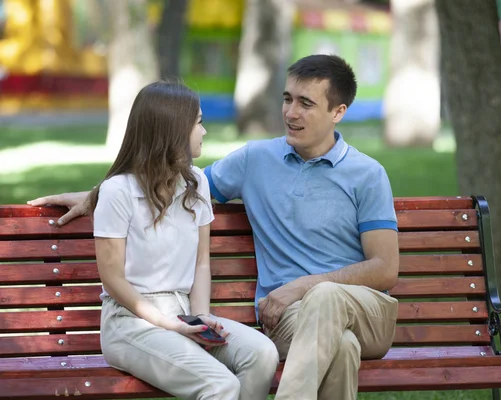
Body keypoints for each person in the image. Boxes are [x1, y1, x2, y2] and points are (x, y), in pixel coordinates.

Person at [28, 55, 399, 400]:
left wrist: (300, 287)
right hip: (290, 321)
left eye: (306, 103)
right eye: (287, 99)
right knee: (342, 346)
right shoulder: (256, 160)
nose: (290, 112)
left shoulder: (367, 175)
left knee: (325, 296)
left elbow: (385, 269)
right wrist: (95, 195)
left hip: (363, 312)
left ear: (339, 112)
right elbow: (162, 182)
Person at [53, 81, 279, 400]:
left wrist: (200, 317)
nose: (204, 131)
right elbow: (113, 280)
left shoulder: (195, 182)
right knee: (220, 385)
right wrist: (169, 324)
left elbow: (202, 261)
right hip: (130, 324)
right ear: (173, 131)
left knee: (262, 354)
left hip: (184, 312)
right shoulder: (118, 192)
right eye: (198, 122)